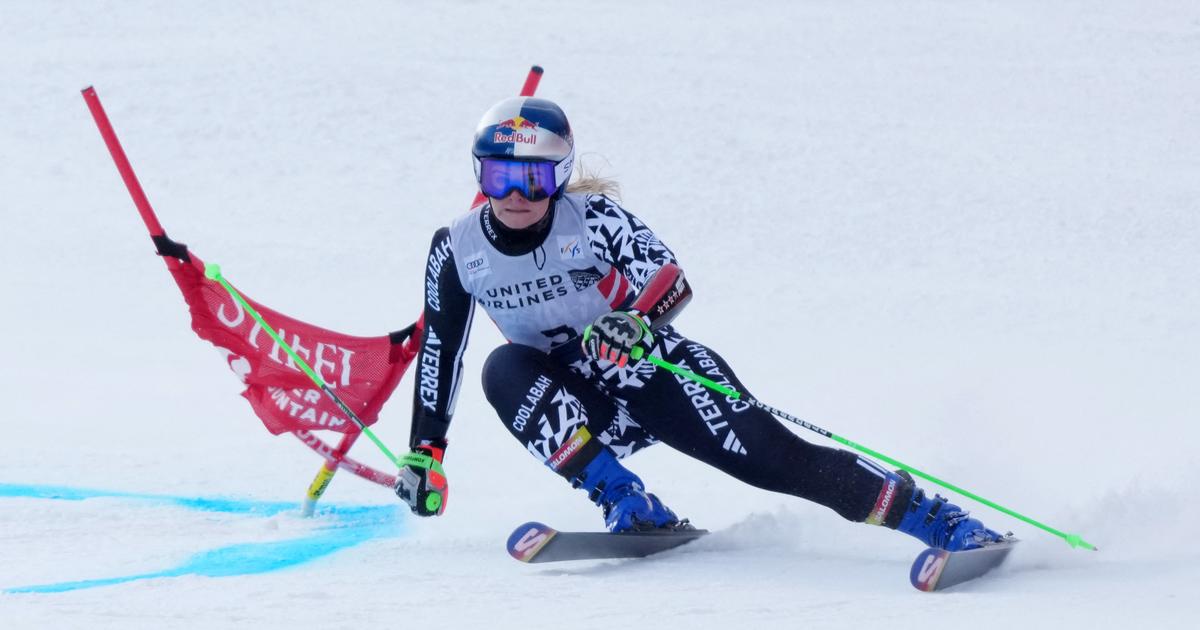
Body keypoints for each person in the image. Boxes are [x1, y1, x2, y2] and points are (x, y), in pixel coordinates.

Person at [393, 96, 1003, 550]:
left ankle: (936, 518)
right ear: (481, 175)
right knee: (503, 369)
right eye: (501, 176)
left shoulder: (594, 217)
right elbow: (441, 351)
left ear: (560, 176)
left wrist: (632, 322)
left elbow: (668, 276)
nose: (518, 193)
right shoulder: (456, 247)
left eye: (536, 176)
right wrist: (426, 452)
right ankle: (624, 498)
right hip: (578, 403)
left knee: (773, 460)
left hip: (654, 374)